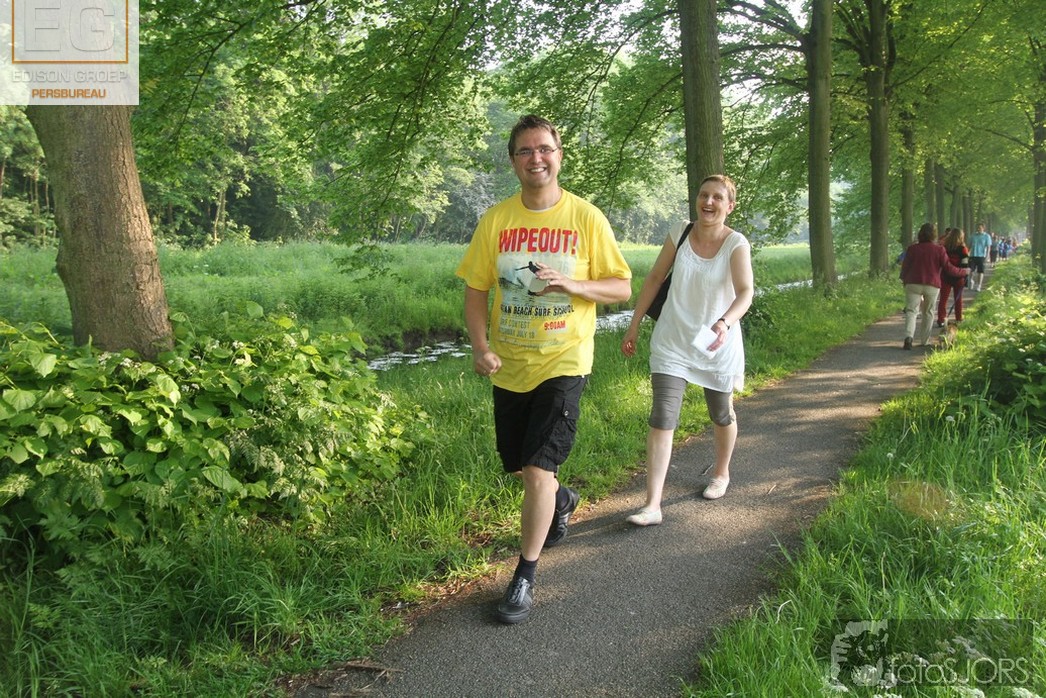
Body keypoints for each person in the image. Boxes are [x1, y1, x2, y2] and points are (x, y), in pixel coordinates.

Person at [456, 114, 632, 624]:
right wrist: (480, 346)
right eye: (525, 151)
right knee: (518, 465)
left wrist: (574, 285)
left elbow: (620, 286)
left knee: (538, 470)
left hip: (564, 359)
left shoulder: (585, 217)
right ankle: (562, 498)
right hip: (510, 363)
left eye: (545, 149)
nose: (536, 158)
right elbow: (476, 289)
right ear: (514, 161)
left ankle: (524, 576)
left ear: (559, 155)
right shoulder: (496, 221)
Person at [620, 175, 754, 526]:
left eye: (717, 198)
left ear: (730, 206)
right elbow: (654, 278)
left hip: (715, 344)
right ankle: (652, 505)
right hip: (672, 341)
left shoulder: (736, 243)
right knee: (663, 417)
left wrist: (724, 322)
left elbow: (745, 292)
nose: (708, 202)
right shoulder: (680, 231)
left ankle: (721, 473)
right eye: (703, 195)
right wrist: (634, 324)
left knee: (721, 413)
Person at [899, 223, 968, 350]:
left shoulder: (912, 249)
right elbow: (949, 268)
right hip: (932, 284)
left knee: (911, 311)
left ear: (920, 234)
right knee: (928, 312)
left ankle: (908, 337)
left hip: (913, 283)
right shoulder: (939, 249)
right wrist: (964, 272)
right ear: (934, 235)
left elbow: (905, 267)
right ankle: (924, 341)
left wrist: (903, 279)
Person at [936, 227, 969, 327]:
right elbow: (965, 264)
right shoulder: (963, 249)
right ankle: (958, 318)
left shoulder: (944, 247)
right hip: (959, 277)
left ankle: (941, 319)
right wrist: (965, 275)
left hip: (945, 276)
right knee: (958, 299)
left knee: (943, 299)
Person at [968, 223, 991, 291]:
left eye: (980, 228)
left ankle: (979, 285)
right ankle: (971, 281)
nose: (978, 229)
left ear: (983, 228)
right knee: (971, 270)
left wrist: (987, 256)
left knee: (980, 271)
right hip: (973, 255)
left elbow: (988, 247)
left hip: (981, 256)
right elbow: (969, 246)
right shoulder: (973, 236)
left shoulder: (987, 236)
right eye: (978, 228)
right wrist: (967, 253)